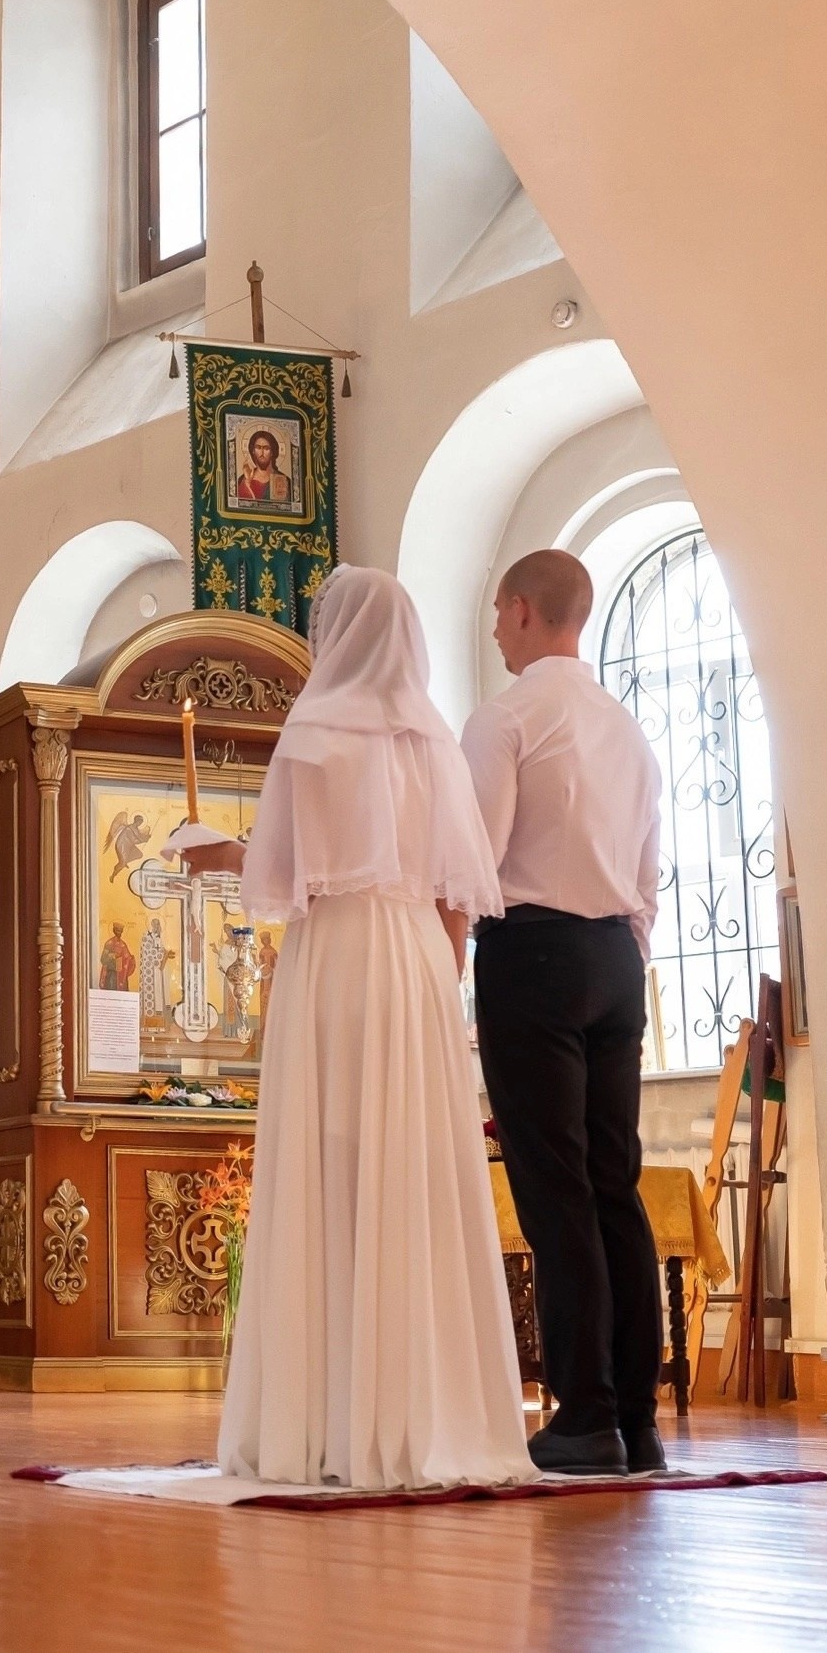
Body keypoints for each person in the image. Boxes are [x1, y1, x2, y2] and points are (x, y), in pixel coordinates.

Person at [179, 566, 530, 1492]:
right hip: (416, 962)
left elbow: (282, 874)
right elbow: (458, 894)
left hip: (336, 957)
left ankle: (326, 1422)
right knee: (416, 1169)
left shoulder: (314, 732)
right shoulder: (437, 743)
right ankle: (430, 1417)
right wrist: (438, 978)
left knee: (331, 1164)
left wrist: (216, 851)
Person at [460, 548, 666, 1476]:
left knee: (555, 1190)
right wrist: (624, 953)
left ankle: (584, 1417)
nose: (494, 630)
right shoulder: (627, 729)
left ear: (521, 610)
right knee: (614, 1183)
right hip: (616, 958)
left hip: (533, 952)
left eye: (499, 614)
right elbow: (649, 876)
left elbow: (474, 859)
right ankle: (637, 1423)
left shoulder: (506, 718)